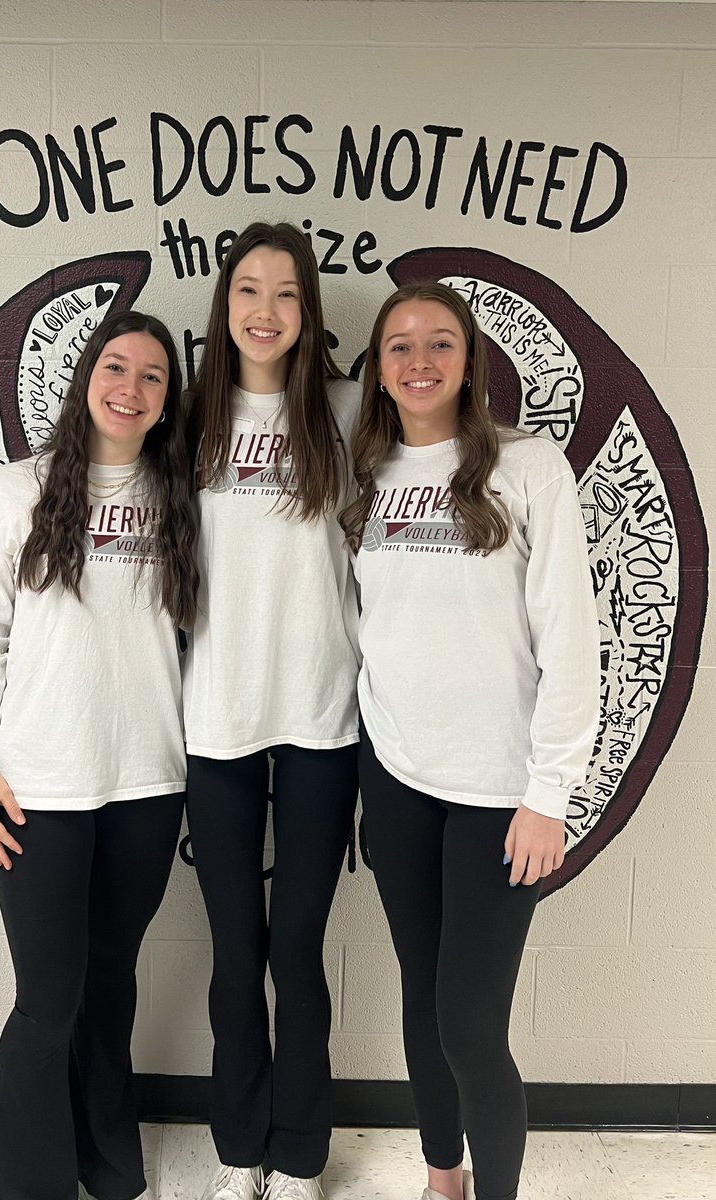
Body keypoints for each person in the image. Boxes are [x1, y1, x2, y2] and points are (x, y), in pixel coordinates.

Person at [341, 282, 600, 1200]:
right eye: (399, 346)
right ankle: (441, 1176)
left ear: (469, 359)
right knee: (423, 994)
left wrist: (549, 794)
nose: (419, 361)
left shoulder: (528, 470)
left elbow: (572, 640)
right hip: (400, 776)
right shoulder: (363, 476)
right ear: (376, 368)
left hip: (501, 791)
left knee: (470, 1026)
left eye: (439, 343)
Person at [0, 310, 198, 1200]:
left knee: (111, 984)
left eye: (153, 377)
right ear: (87, 376)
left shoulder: (179, 499)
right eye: (116, 367)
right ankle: (29, 1186)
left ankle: (107, 1159)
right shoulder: (19, 491)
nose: (131, 387)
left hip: (147, 783)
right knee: (47, 1000)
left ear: (169, 401)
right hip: (39, 788)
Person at [184, 222, 361, 1200]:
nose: (264, 310)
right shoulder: (188, 424)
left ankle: (296, 1155)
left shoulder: (342, 411)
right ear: (224, 305)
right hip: (215, 720)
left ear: (306, 312)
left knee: (293, 950)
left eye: (286, 293)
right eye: (247, 289)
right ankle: (237, 1144)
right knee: (232, 950)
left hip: (319, 721)